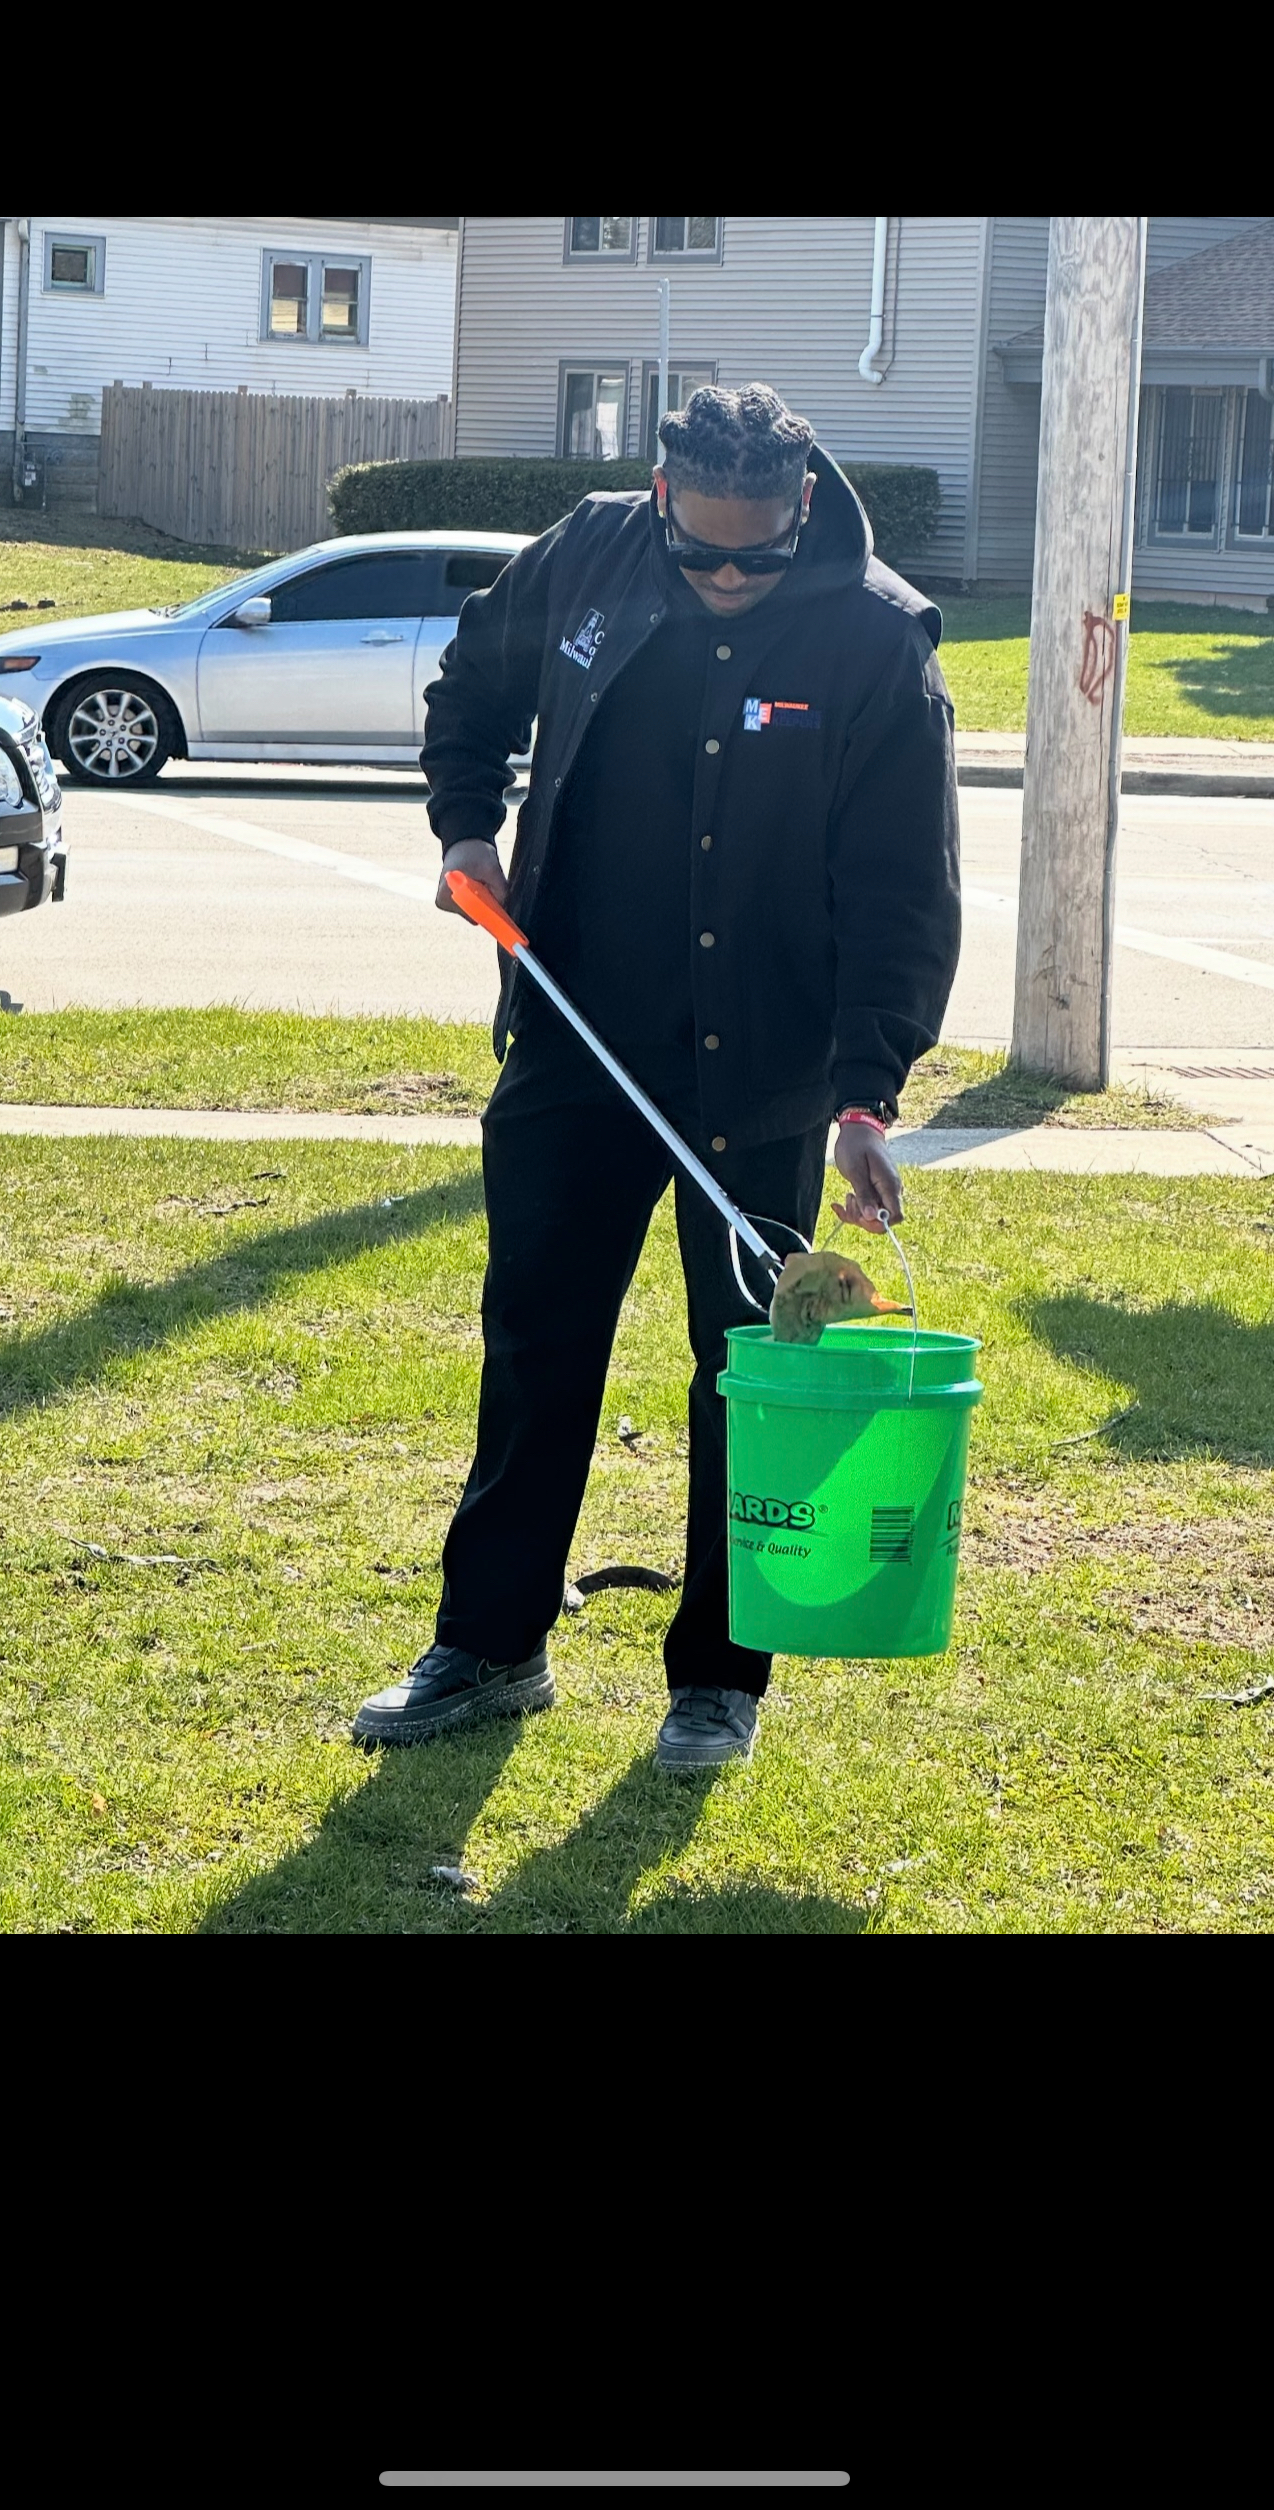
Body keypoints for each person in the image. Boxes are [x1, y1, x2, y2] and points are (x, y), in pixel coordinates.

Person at [352, 384, 961, 1769]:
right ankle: (491, 1645)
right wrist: (463, 832)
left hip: (763, 1075)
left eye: (761, 552)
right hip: (575, 1044)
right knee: (537, 1345)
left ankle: (719, 1680)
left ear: (802, 505)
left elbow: (901, 891)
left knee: (745, 1371)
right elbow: (471, 687)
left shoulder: (875, 639)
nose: (735, 578)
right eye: (707, 552)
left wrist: (867, 1092)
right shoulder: (587, 555)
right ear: (662, 495)